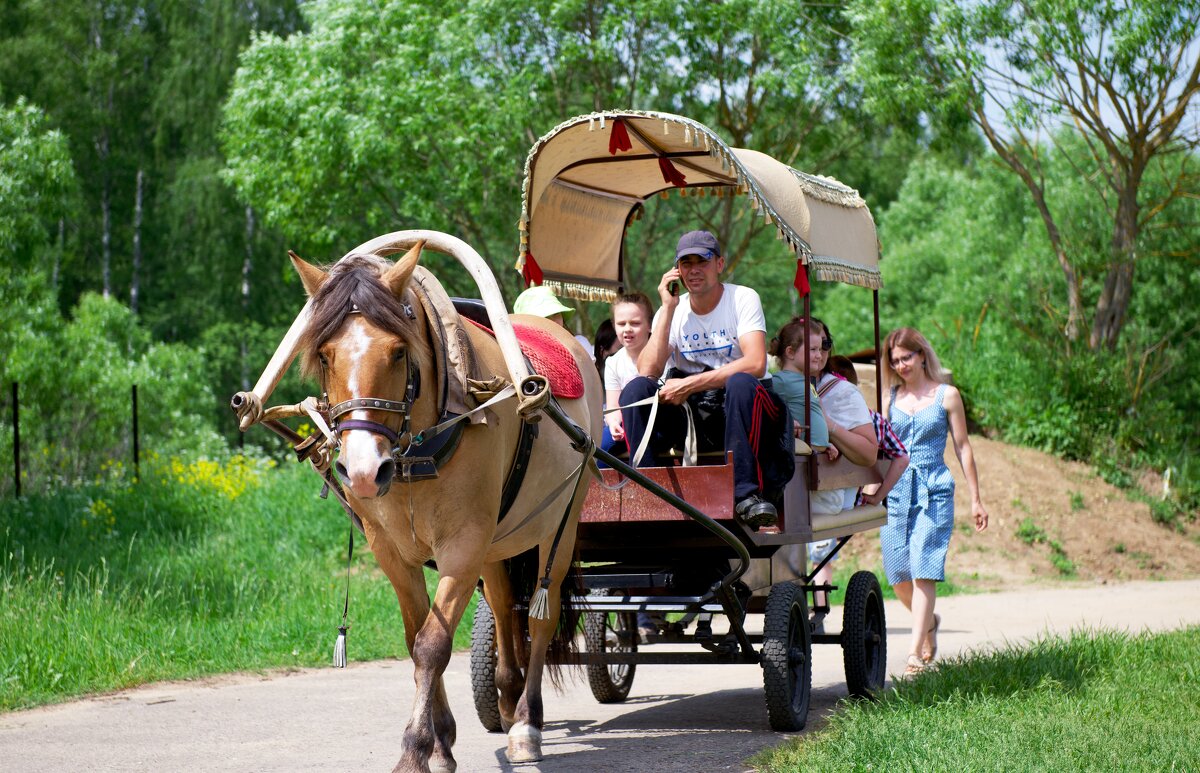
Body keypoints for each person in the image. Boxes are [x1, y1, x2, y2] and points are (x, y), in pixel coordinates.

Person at [619, 230, 793, 528]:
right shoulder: (673, 309)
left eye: (703, 260)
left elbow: (755, 362)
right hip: (694, 414)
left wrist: (690, 384)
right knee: (636, 390)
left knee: (740, 383)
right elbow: (646, 370)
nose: (694, 270)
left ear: (720, 264)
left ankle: (746, 496)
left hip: (748, 408)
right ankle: (647, 489)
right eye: (686, 263)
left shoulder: (743, 298)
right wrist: (668, 309)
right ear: (677, 270)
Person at [881, 327, 989, 675]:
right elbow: (880, 448)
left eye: (906, 357)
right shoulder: (889, 398)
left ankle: (914, 654)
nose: (901, 365)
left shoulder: (948, 396)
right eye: (895, 360)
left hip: (934, 489)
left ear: (922, 355)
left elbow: (963, 447)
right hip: (897, 491)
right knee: (897, 574)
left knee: (923, 570)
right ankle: (928, 623)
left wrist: (976, 499)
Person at [601, 293, 655, 459]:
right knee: (599, 447)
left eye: (635, 323)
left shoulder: (664, 352)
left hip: (659, 424)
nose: (627, 329)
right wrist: (614, 423)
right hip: (626, 426)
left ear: (650, 325)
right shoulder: (612, 362)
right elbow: (613, 408)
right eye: (621, 323)